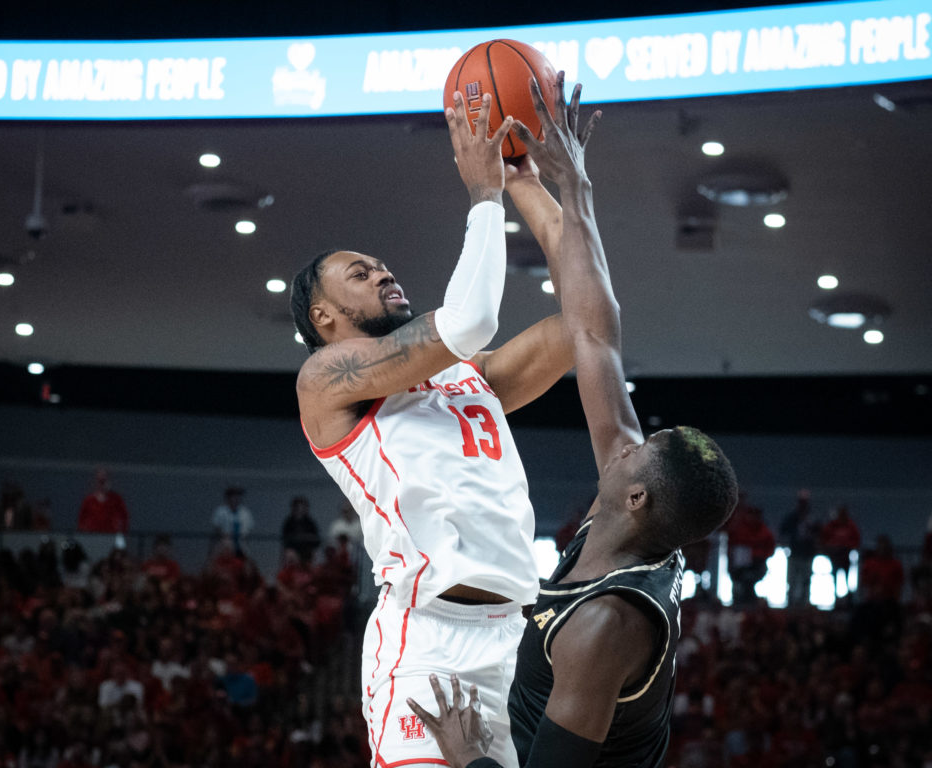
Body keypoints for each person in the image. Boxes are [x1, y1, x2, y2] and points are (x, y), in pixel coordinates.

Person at [406, 73, 738, 768]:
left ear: (637, 495)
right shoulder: (631, 517)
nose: (625, 442)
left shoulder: (606, 623)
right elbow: (595, 330)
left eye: (639, 449)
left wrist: (466, 755)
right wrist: (549, 182)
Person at [292, 90, 577, 768]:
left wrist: (527, 184)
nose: (382, 272)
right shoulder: (325, 379)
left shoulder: (470, 376)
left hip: (516, 639)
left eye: (380, 265)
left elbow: (589, 320)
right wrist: (484, 196)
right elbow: (468, 320)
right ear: (324, 317)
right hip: (427, 640)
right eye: (359, 273)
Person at [725, 496, 775, 607]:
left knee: (749, 583)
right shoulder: (739, 528)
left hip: (756, 564)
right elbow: (731, 542)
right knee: (739, 586)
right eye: (751, 514)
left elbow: (770, 547)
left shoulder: (764, 531)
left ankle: (750, 603)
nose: (752, 518)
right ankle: (739, 603)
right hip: (739, 564)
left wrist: (760, 555)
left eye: (755, 515)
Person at [779, 489, 820, 607]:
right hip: (795, 553)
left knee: (806, 580)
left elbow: (819, 533)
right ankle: (791, 602)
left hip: (807, 554)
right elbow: (783, 531)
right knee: (792, 579)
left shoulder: (812, 518)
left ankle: (804, 602)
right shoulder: (792, 518)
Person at [820, 503, 861, 605]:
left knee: (847, 577)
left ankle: (848, 599)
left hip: (845, 555)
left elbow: (856, 539)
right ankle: (835, 598)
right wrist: (830, 547)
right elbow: (824, 538)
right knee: (834, 576)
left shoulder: (850, 525)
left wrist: (848, 546)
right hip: (834, 556)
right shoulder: (832, 525)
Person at [76, 467, 129, 533]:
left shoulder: (116, 500)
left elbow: (125, 518)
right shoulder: (89, 500)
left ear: (109, 481)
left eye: (104, 481)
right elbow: (81, 521)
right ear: (96, 482)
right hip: (93, 535)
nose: (102, 484)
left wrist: (121, 532)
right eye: (100, 481)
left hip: (111, 535)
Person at [211, 486, 254, 557]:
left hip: (241, 546)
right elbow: (217, 529)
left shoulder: (245, 513)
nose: (236, 498)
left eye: (238, 495)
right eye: (233, 495)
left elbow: (248, 531)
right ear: (228, 497)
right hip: (224, 546)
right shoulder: (220, 511)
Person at [280, 496, 321, 565]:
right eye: (298, 507)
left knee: (316, 555)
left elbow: (316, 539)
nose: (300, 509)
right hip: (293, 550)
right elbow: (285, 540)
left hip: (308, 549)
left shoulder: (310, 522)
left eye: (303, 507)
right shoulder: (289, 522)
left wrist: (309, 540)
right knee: (289, 554)